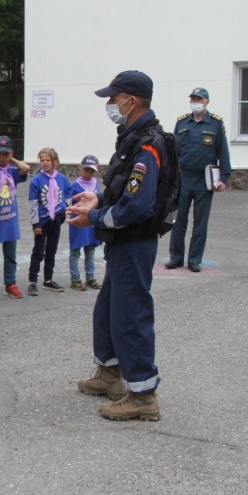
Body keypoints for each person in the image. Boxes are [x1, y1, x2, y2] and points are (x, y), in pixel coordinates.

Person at [67, 70, 163, 422]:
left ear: (130, 101)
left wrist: (92, 218)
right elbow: (124, 191)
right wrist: (99, 198)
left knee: (130, 316)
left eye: (113, 98)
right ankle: (110, 375)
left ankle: (142, 395)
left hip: (134, 242)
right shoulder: (132, 137)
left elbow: (136, 206)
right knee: (108, 310)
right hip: (124, 242)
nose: (110, 104)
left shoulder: (147, 145)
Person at [166, 87, 232, 273]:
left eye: (199, 99)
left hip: (204, 179)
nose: (196, 102)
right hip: (183, 177)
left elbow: (223, 152)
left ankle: (194, 259)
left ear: (206, 102)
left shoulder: (216, 123)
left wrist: (224, 178)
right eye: (193, 99)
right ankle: (176, 257)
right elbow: (173, 151)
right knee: (178, 219)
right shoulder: (181, 122)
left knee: (200, 221)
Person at [0, 135, 30, 301]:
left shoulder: (12, 172)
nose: (2, 156)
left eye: (6, 153)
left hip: (10, 220)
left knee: (10, 255)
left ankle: (10, 284)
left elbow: (26, 168)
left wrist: (12, 160)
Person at [27, 148, 72, 296]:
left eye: (48, 160)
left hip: (56, 219)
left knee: (51, 251)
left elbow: (69, 194)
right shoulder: (36, 180)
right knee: (38, 251)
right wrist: (35, 223)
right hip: (42, 221)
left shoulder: (62, 179)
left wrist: (65, 206)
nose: (45, 163)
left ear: (55, 162)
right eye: (42, 160)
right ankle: (32, 281)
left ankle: (48, 279)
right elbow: (33, 203)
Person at [68, 155, 102, 291]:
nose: (88, 173)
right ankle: (75, 278)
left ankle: (90, 277)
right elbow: (69, 203)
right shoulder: (75, 186)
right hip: (78, 223)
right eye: (86, 170)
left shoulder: (96, 185)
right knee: (75, 252)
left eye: (91, 171)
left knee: (90, 251)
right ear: (80, 168)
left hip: (92, 223)